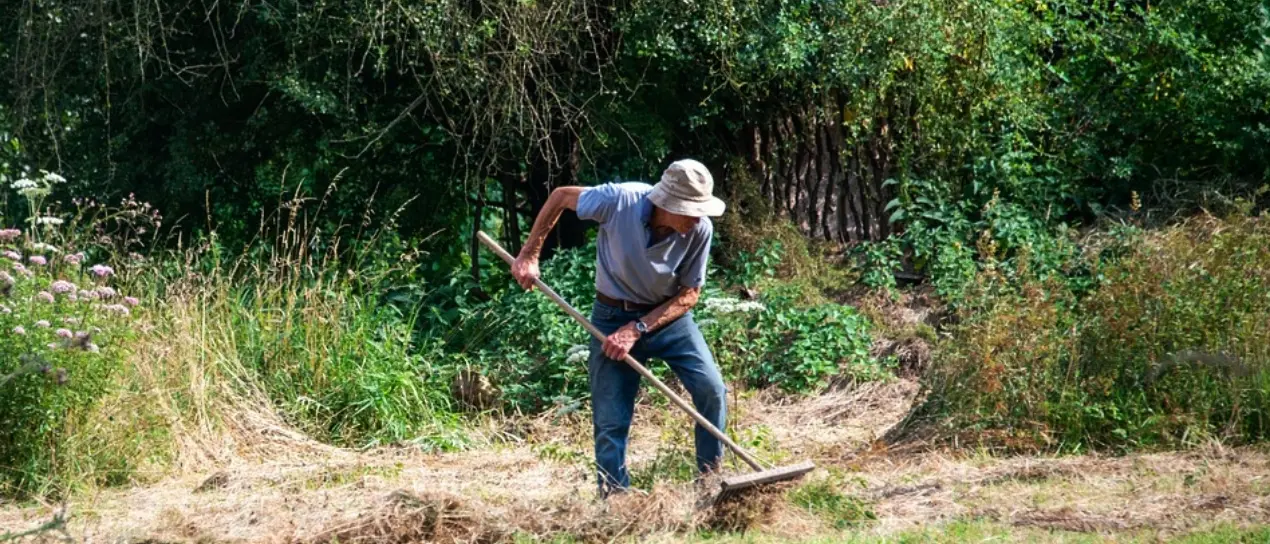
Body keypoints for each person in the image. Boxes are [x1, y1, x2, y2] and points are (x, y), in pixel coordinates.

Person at [510, 159, 728, 497]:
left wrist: (639, 328)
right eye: (690, 210)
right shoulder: (620, 200)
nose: (697, 218)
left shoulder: (699, 230)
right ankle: (616, 501)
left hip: (668, 319)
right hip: (611, 318)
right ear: (667, 203)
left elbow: (690, 294)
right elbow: (560, 197)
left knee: (711, 389)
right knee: (611, 417)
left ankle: (711, 487)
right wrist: (529, 254)